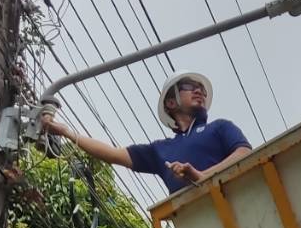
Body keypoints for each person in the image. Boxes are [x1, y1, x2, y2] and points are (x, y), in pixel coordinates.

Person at [43, 71, 252, 195]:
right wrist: (68, 133)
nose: (199, 91)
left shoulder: (220, 127)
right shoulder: (160, 150)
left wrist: (201, 176)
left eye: (202, 90)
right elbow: (113, 154)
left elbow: (244, 154)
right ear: (171, 103)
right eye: (190, 86)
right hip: (195, 223)